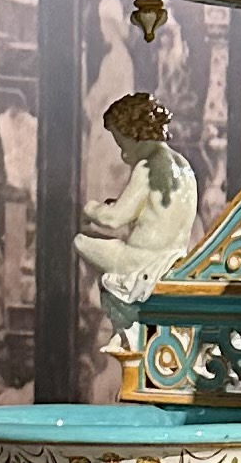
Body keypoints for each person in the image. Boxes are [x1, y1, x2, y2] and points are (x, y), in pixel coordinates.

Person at [73, 89, 202, 357]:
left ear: (135, 133)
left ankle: (124, 325)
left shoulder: (148, 167)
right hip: (174, 258)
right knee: (102, 243)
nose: (123, 155)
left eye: (123, 145)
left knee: (81, 241)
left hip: (142, 262)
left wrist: (89, 208)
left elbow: (113, 219)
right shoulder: (185, 166)